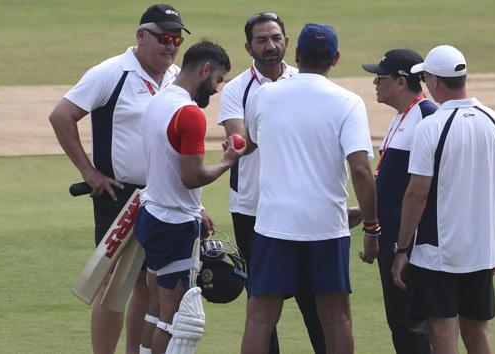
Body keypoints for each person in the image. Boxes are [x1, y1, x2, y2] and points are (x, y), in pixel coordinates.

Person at [48, 4, 190, 354]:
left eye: (176, 39)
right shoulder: (112, 72)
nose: (170, 46)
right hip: (119, 195)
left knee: (149, 285)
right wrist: (88, 172)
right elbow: (62, 116)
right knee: (113, 284)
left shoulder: (176, 78)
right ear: (141, 36)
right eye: (163, 38)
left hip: (162, 194)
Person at [241, 23, 379, 354]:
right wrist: (373, 227)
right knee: (336, 319)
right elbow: (360, 169)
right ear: (335, 58)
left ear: (297, 54)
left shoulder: (264, 94)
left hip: (275, 223)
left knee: (260, 318)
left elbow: (253, 140)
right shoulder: (348, 102)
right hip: (326, 227)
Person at [392, 45, 495, 354]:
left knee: (443, 335)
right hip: (482, 252)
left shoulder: (430, 127)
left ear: (434, 81)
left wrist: (402, 248)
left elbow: (417, 193)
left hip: (438, 255)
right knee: (477, 332)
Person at [217, 12, 325, 354]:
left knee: (314, 296)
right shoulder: (237, 89)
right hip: (252, 207)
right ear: (248, 46)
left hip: (301, 204)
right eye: (261, 40)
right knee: (262, 299)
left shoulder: (303, 80)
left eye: (276, 38)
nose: (270, 46)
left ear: (288, 43)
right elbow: (238, 141)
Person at [134, 40, 243, 354]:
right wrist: (227, 162)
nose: (217, 88)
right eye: (218, 79)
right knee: (176, 319)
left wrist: (199, 206)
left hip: (152, 213)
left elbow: (168, 167)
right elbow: (191, 176)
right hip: (174, 225)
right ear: (205, 69)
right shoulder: (190, 114)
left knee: (156, 308)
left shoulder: (158, 99)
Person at [361, 49, 436, 353]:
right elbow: (391, 179)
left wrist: (405, 244)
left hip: (412, 242)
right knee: (402, 323)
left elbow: (430, 185)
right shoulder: (401, 117)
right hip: (392, 237)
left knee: (413, 324)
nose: (375, 82)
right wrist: (367, 211)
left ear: (401, 81)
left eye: (380, 76)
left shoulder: (427, 115)